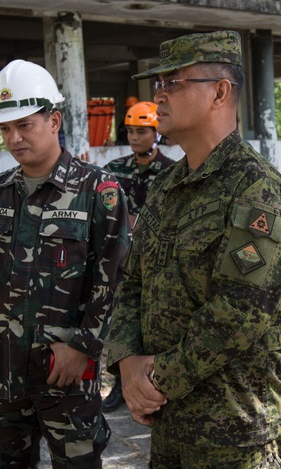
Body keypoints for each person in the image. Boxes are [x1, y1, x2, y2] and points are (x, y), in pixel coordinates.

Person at [107, 30, 281, 468]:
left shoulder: (258, 191)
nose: (158, 96)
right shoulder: (166, 187)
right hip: (170, 426)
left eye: (173, 83)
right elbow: (132, 279)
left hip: (233, 436)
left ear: (219, 92)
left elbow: (240, 312)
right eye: (157, 85)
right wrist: (126, 360)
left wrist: (154, 378)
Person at [0, 59, 130, 468]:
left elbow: (116, 281)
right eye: (5, 129)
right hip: (1, 374)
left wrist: (84, 349)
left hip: (66, 375)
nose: (14, 138)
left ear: (54, 120)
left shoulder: (99, 190)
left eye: (24, 125)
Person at [101, 100, 176, 412]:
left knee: (157, 323)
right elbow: (103, 210)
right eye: (131, 131)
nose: (134, 137)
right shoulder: (114, 169)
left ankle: (158, 385)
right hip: (121, 263)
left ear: (156, 133)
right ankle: (120, 385)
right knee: (121, 322)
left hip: (159, 263)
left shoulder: (171, 171)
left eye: (142, 131)